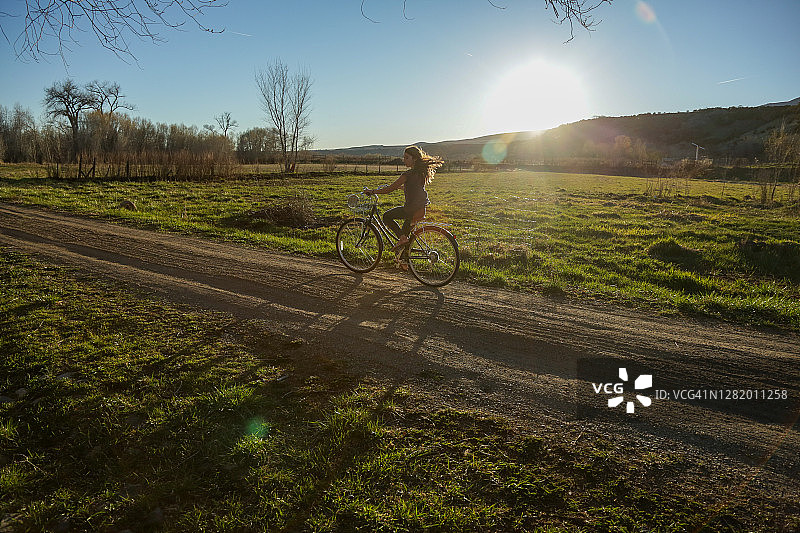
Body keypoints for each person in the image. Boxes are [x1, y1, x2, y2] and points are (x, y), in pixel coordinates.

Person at [365, 145, 443, 258]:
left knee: (387, 216)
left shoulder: (407, 174)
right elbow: (414, 187)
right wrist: (401, 188)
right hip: (421, 209)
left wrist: (372, 191)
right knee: (406, 237)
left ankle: (402, 240)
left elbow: (389, 189)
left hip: (411, 209)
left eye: (407, 157)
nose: (404, 160)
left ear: (414, 159)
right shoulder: (421, 173)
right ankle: (404, 260)